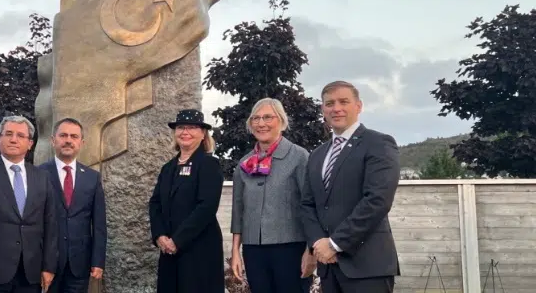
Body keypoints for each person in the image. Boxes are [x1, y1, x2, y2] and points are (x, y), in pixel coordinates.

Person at [300, 81, 401, 293]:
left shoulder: (378, 143)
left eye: (343, 101)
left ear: (358, 106)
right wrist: (318, 243)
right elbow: (308, 204)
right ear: (323, 110)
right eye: (329, 103)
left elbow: (377, 200)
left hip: (367, 267)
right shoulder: (317, 155)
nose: (336, 108)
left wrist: (335, 243)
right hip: (328, 268)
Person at [230, 98, 316, 292]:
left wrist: (310, 251)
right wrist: (235, 251)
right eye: (256, 118)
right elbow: (238, 210)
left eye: (268, 117)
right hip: (253, 249)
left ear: (282, 121)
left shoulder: (299, 157)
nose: (261, 123)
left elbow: (311, 206)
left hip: (291, 248)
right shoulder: (244, 164)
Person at [0, 115, 58, 293]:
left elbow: (50, 224)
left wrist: (48, 266)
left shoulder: (42, 177)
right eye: (8, 134)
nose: (14, 139)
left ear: (30, 143)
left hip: (31, 271)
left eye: (20, 135)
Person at [148, 109, 224, 293]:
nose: (185, 132)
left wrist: (177, 241)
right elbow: (155, 203)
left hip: (198, 250)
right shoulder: (168, 168)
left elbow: (206, 207)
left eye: (192, 128)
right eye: (181, 127)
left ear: (203, 133)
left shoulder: (209, 165)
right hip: (169, 250)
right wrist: (160, 236)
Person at [38, 118, 107, 293]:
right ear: (53, 140)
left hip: (79, 264)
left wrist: (97, 261)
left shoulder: (92, 177)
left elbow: (99, 224)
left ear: (81, 143)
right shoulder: (38, 174)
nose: (68, 140)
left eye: (74, 136)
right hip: (45, 264)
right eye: (63, 135)